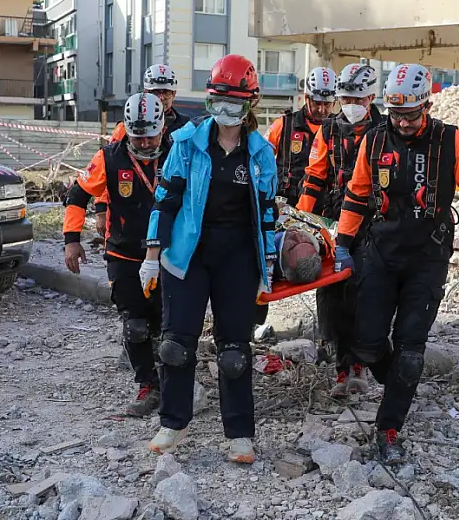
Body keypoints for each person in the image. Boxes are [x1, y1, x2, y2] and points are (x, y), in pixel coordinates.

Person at [334, 63, 459, 464]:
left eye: (411, 115)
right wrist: (343, 243)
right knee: (367, 343)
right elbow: (357, 194)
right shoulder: (375, 141)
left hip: (428, 257)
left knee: (412, 351)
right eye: (396, 114)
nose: (403, 122)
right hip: (380, 251)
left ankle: (388, 428)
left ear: (426, 106)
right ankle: (397, 378)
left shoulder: (451, 141)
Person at [140, 54, 278, 464]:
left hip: (237, 258)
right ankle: (172, 423)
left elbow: (268, 214)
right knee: (175, 345)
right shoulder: (187, 144)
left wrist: (267, 267)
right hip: (187, 255)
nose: (225, 111)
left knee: (234, 350)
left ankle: (239, 434)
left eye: (234, 103)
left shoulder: (260, 154)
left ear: (250, 104)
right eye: (218, 100)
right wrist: (151, 254)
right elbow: (164, 202)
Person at [63, 92, 169, 417]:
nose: (146, 143)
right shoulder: (110, 157)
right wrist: (71, 240)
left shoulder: (179, 154)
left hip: (169, 254)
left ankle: (176, 384)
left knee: (169, 325)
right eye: (138, 137)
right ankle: (147, 385)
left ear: (162, 128)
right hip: (123, 252)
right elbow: (78, 192)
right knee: (135, 325)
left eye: (151, 136)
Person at [296, 63, 383, 398]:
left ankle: (360, 363)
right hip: (333, 217)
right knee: (332, 292)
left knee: (366, 291)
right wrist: (301, 223)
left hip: (373, 221)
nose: (351, 103)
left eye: (357, 98)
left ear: (372, 97)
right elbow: (315, 177)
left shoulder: (384, 128)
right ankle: (341, 366)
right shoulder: (328, 131)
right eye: (345, 96)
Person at [94, 64, 189, 236]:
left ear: (174, 93)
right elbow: (109, 168)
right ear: (145, 92)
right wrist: (101, 208)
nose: (161, 97)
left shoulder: (186, 128)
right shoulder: (126, 127)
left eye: (166, 92)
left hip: (172, 207)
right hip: (129, 205)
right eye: (155, 92)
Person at [266, 67, 335, 205]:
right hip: (287, 206)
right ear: (306, 98)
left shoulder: (338, 129)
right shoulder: (284, 124)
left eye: (327, 104)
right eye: (317, 103)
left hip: (325, 208)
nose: (322, 110)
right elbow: (260, 161)